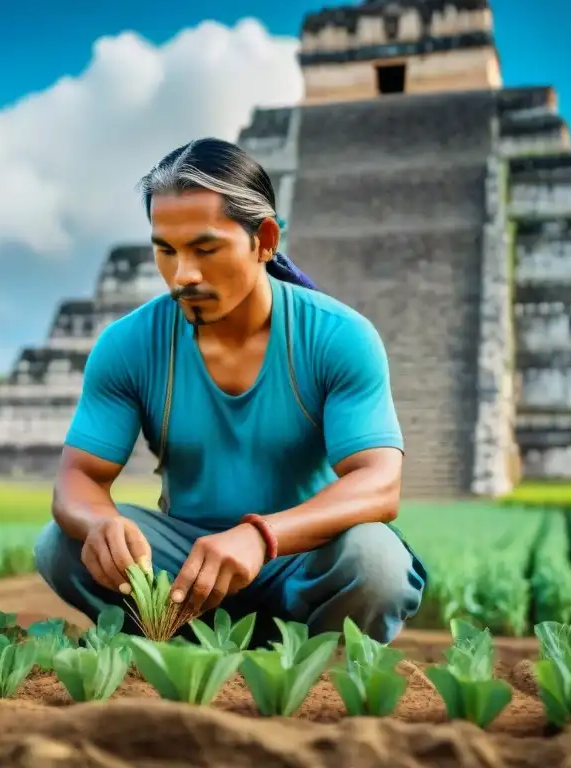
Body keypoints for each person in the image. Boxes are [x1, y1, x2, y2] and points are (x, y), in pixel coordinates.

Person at [34, 137, 426, 646]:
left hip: (301, 559)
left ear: (264, 240)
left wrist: (262, 537)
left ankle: (307, 662)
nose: (184, 275)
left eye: (205, 248)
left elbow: (379, 483)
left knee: (375, 562)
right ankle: (179, 638)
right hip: (185, 570)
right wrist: (99, 523)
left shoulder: (339, 337)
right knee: (62, 544)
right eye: (166, 251)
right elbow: (78, 477)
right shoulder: (128, 344)